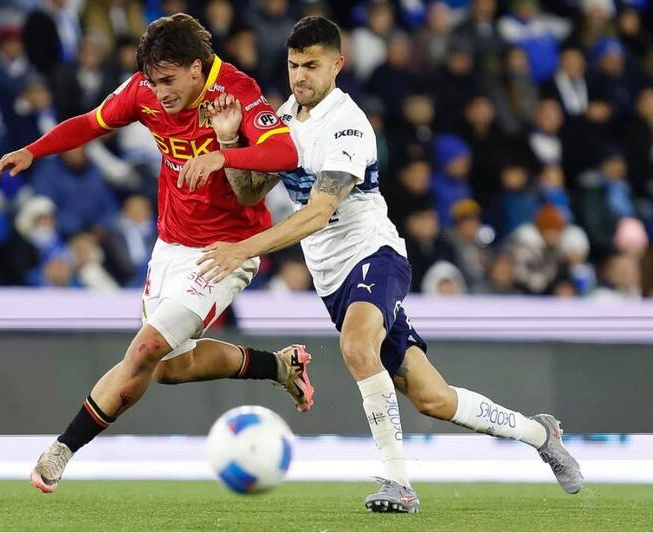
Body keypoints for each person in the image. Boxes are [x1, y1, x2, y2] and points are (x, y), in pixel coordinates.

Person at [189, 16, 583, 513]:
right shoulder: (283, 117)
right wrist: (229, 142)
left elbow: (318, 212)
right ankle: (539, 433)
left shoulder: (348, 125)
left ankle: (398, 483)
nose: (299, 76)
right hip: (333, 281)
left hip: (375, 254)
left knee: (356, 345)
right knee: (432, 398)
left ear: (338, 64)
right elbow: (250, 193)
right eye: (293, 65)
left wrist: (243, 249)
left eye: (311, 65)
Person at [0, 13, 314, 494]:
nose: (160, 92)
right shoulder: (143, 89)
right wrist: (34, 151)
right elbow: (91, 122)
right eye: (153, 80)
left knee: (143, 349)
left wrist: (224, 153)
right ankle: (279, 366)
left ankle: (62, 448)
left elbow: (285, 153)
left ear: (197, 68)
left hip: (225, 251)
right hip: (171, 243)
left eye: (169, 80)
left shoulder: (236, 92)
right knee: (166, 368)